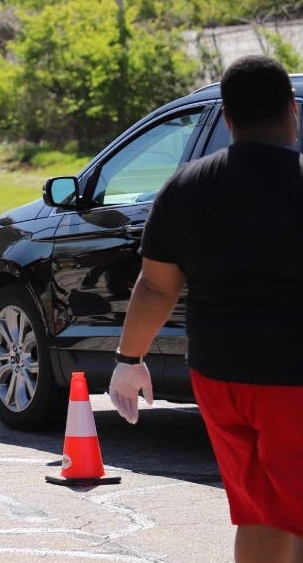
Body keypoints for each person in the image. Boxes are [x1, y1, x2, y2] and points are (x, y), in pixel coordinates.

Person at [108, 55, 303, 563]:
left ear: (229, 119)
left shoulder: (186, 186)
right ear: (292, 112)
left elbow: (155, 287)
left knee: (259, 511)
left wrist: (129, 362)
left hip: (219, 378)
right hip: (292, 379)